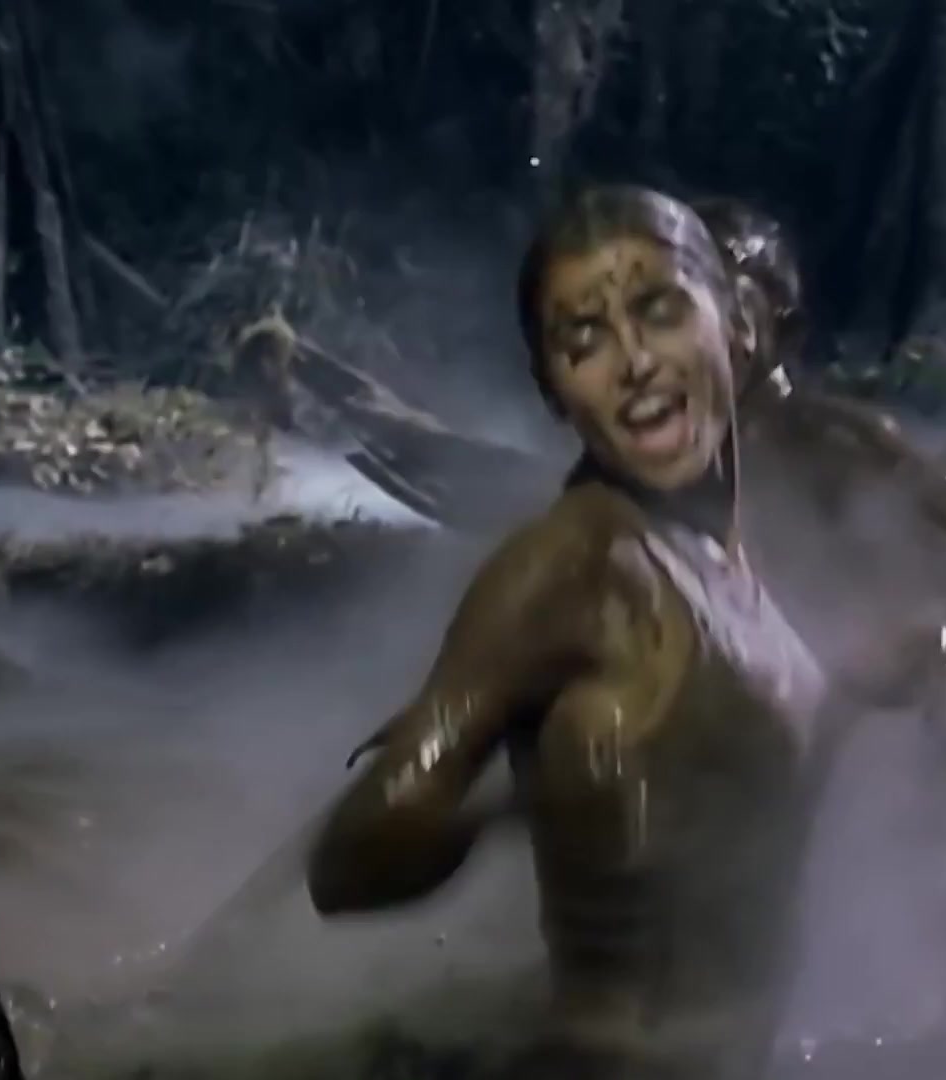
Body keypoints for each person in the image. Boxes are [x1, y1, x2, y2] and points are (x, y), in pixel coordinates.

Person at [303, 185, 831, 1080]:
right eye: (583, 341)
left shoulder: (726, 562)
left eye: (659, 311)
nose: (634, 362)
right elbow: (348, 860)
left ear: (739, 326)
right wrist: (510, 805)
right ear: (555, 392)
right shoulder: (582, 563)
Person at [692, 197, 946, 1053]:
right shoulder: (701, 449)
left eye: (729, 300)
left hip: (905, 712)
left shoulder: (824, 438)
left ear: (777, 324)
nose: (707, 324)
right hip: (829, 722)